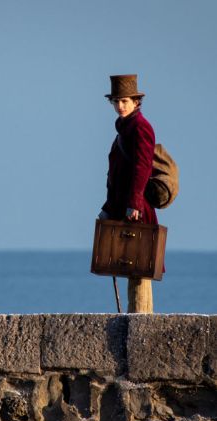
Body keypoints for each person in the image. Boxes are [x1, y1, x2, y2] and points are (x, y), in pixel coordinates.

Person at [99, 74, 156, 313]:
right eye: (116, 101)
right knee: (132, 270)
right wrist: (108, 209)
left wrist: (134, 203)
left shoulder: (140, 127)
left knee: (139, 271)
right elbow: (117, 177)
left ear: (135, 102)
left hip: (137, 210)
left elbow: (143, 167)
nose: (120, 106)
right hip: (125, 208)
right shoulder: (124, 129)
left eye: (124, 101)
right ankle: (138, 323)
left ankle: (142, 331)